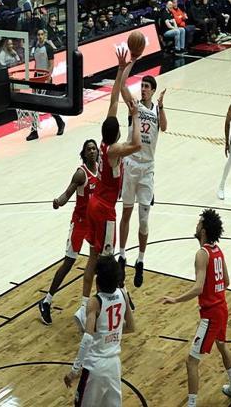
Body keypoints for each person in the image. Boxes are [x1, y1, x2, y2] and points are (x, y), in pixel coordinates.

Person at [74, 48, 142, 331]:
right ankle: (109, 303)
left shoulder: (104, 143)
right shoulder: (113, 150)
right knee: (107, 259)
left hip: (95, 204)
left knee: (93, 257)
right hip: (104, 211)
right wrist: (135, 115)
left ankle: (83, 306)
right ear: (116, 134)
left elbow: (113, 99)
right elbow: (137, 144)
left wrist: (122, 69)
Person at [161, 209, 231, 407]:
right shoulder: (217, 250)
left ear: (203, 230)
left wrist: (175, 299)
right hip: (222, 308)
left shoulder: (202, 254)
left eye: (199, 223)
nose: (196, 225)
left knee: (191, 361)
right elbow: (226, 281)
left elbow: (198, 288)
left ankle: (191, 404)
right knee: (222, 345)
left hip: (211, 314)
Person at [38, 140, 98, 325]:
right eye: (89, 149)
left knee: (101, 259)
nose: (92, 151)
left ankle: (109, 298)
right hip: (80, 223)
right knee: (69, 262)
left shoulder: (101, 168)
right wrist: (58, 202)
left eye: (94, 148)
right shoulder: (81, 173)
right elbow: (67, 193)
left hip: (94, 221)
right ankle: (46, 301)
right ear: (84, 153)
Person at [64, 256, 135, 406]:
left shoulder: (95, 302)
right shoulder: (123, 294)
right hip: (114, 366)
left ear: (98, 280)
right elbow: (131, 327)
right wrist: (110, 332)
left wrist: (74, 371)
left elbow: (87, 339)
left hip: (95, 367)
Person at [118, 75, 167, 291]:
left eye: (147, 87)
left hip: (147, 168)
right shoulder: (134, 106)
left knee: (144, 220)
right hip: (131, 164)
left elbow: (164, 127)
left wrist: (162, 107)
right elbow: (122, 87)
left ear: (153, 90)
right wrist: (126, 67)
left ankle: (140, 260)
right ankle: (122, 256)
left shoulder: (156, 110)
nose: (143, 89)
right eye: (142, 86)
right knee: (126, 213)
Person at [25, 29, 65, 141]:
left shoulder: (48, 48)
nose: (40, 36)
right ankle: (34, 131)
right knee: (33, 105)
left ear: (45, 35)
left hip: (46, 77)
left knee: (48, 104)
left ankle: (60, 122)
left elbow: (51, 65)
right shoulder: (35, 48)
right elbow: (36, 63)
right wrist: (34, 77)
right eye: (38, 34)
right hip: (37, 77)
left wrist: (48, 77)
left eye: (42, 34)